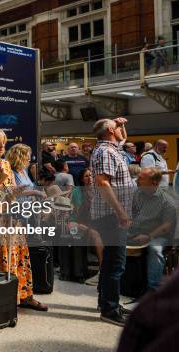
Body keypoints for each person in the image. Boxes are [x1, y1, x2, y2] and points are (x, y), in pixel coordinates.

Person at [0, 128, 48, 311]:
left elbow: (9, 193)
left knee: (19, 256)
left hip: (11, 219)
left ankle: (24, 295)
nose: (3, 146)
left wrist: (17, 192)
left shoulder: (5, 164)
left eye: (4, 142)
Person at [90, 117, 133, 326]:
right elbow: (102, 182)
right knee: (116, 263)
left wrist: (121, 124)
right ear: (109, 130)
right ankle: (110, 309)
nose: (120, 130)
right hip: (112, 215)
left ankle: (108, 302)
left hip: (109, 214)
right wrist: (121, 212)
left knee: (110, 262)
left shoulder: (111, 147)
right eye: (116, 127)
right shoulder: (106, 151)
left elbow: (123, 138)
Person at [129, 168, 176, 291]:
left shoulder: (167, 200)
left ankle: (153, 289)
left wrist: (148, 236)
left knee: (155, 249)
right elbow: (132, 214)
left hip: (158, 235)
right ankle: (121, 284)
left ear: (154, 182)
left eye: (141, 178)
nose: (137, 180)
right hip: (136, 231)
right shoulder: (137, 193)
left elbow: (167, 226)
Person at [71, 168, 104, 286]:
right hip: (80, 221)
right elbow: (80, 213)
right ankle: (102, 272)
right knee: (95, 235)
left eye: (91, 175)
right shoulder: (78, 191)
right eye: (86, 176)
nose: (90, 178)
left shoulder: (98, 190)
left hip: (95, 221)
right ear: (81, 179)